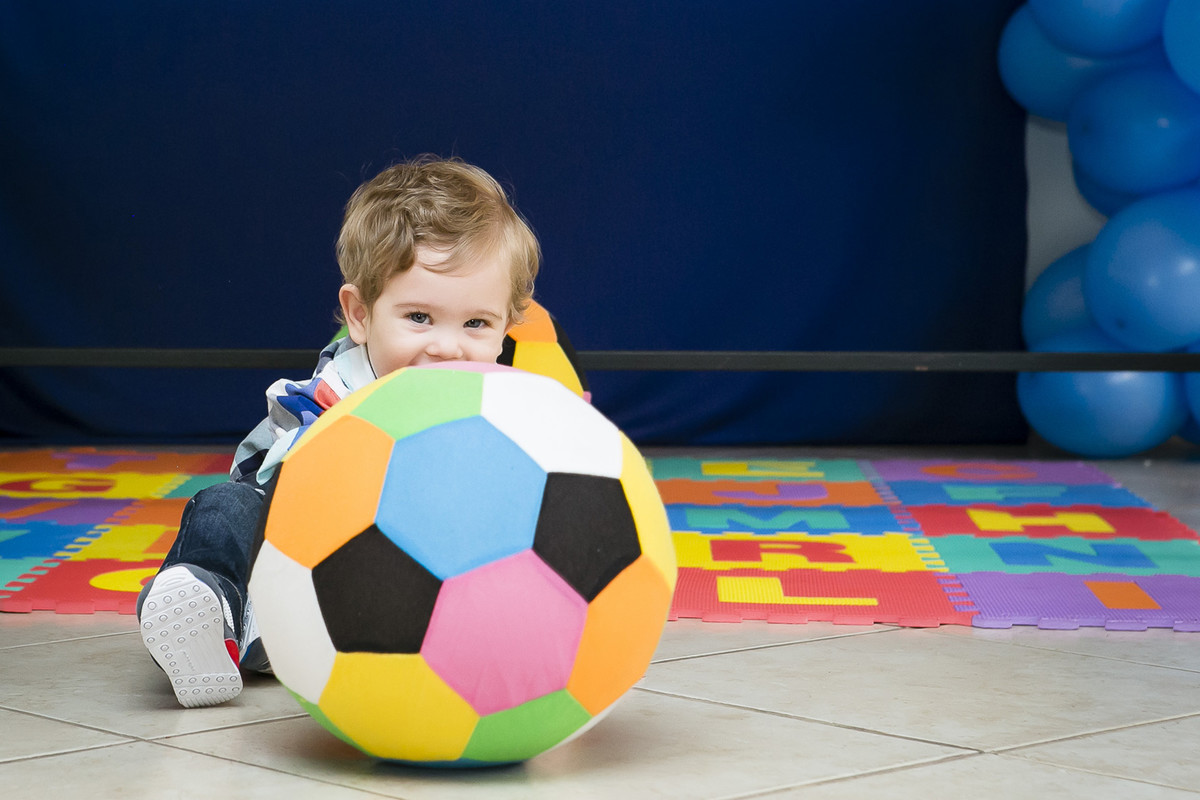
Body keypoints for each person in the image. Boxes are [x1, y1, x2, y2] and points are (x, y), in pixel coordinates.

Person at [137, 156, 541, 707]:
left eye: (476, 323)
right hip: (297, 546)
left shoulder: (503, 407)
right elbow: (286, 489)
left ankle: (280, 635)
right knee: (221, 507)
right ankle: (209, 607)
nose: (447, 347)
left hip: (395, 587)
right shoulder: (338, 393)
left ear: (505, 327)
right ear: (360, 315)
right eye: (419, 317)